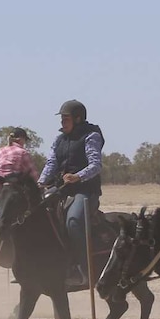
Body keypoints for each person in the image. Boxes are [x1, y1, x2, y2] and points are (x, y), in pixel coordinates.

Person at [37, 99, 104, 287]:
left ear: (78, 118)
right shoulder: (60, 139)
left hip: (84, 192)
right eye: (62, 119)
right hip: (60, 190)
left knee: (73, 222)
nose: (62, 123)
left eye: (65, 119)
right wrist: (41, 182)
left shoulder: (91, 136)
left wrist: (78, 177)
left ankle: (84, 271)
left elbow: (95, 165)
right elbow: (51, 164)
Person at [0, 127, 38, 204]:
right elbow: (33, 173)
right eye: (25, 140)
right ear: (21, 139)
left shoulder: (0, 150)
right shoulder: (23, 153)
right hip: (12, 193)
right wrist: (39, 185)